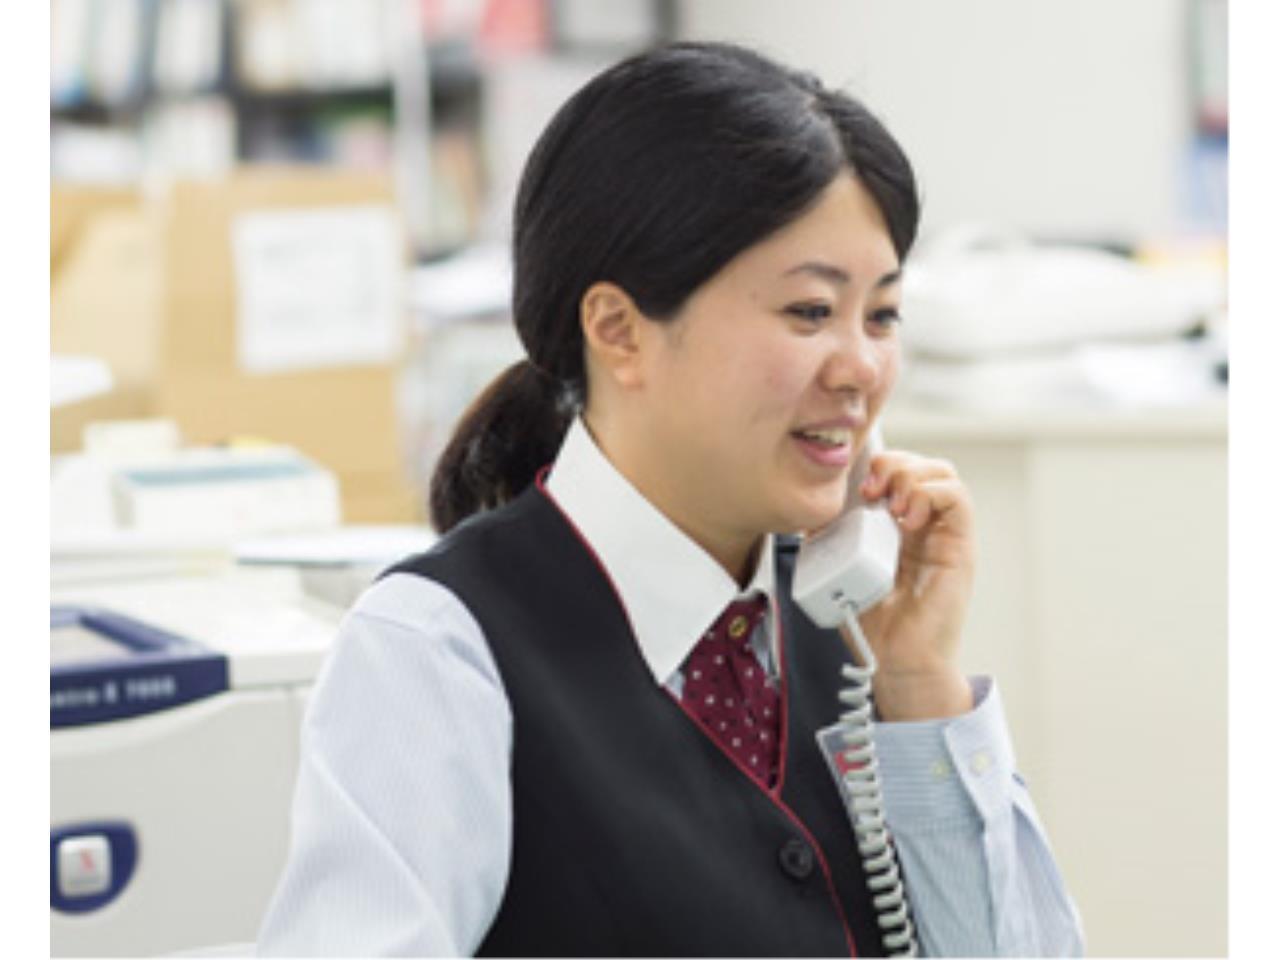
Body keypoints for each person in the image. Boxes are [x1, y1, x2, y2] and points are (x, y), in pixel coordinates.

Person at [258, 41, 1084, 957]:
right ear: (620, 331)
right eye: (810, 312)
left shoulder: (843, 625)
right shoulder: (435, 654)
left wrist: (921, 687)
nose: (861, 368)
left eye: (882, 315)